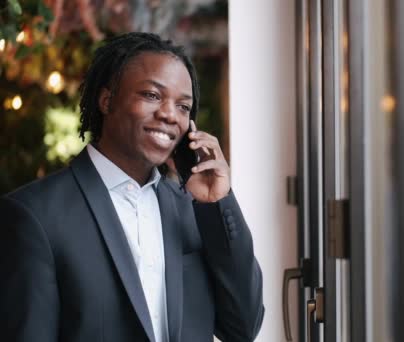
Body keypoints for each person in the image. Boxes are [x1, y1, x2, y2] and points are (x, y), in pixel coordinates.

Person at [0, 32, 264, 342]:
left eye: (183, 107)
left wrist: (218, 204)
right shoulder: (35, 215)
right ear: (107, 100)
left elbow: (243, 327)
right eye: (152, 95)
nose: (169, 114)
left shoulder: (194, 210)